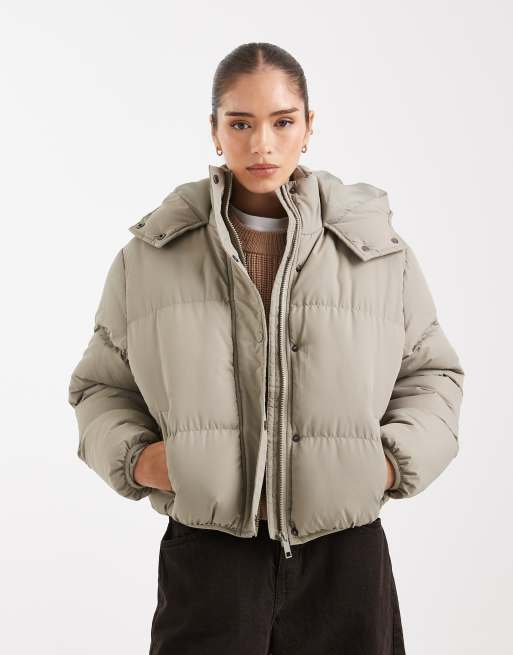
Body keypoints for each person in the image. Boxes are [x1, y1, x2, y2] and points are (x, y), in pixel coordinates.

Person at [68, 42, 464, 655]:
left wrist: (386, 464)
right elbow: (101, 387)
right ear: (214, 130)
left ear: (309, 127)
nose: (262, 145)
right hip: (209, 557)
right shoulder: (151, 258)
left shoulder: (376, 253)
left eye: (282, 122)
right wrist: (143, 461)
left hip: (344, 557)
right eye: (240, 124)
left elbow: (432, 376)